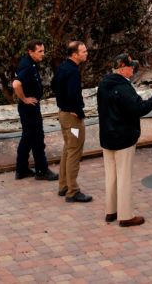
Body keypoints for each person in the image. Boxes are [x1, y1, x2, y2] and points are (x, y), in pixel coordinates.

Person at [96, 53, 152, 227]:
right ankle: (125, 216)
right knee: (124, 176)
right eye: (130, 66)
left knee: (111, 176)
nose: (133, 69)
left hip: (107, 136)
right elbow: (139, 109)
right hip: (123, 137)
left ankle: (110, 211)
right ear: (122, 68)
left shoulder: (104, 84)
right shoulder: (124, 87)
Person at [12, 40, 58, 181]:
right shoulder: (26, 66)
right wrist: (25, 99)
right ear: (30, 52)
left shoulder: (30, 63)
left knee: (27, 137)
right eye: (40, 51)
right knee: (37, 138)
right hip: (29, 108)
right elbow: (16, 84)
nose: (43, 54)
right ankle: (41, 170)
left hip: (29, 107)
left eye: (43, 51)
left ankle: (21, 169)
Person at [52, 40, 92, 203]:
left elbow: (53, 85)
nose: (86, 53)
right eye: (83, 51)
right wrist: (78, 111)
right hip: (72, 118)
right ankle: (72, 191)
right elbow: (73, 94)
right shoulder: (73, 71)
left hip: (63, 114)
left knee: (68, 150)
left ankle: (63, 186)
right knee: (74, 151)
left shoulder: (63, 67)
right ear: (74, 54)